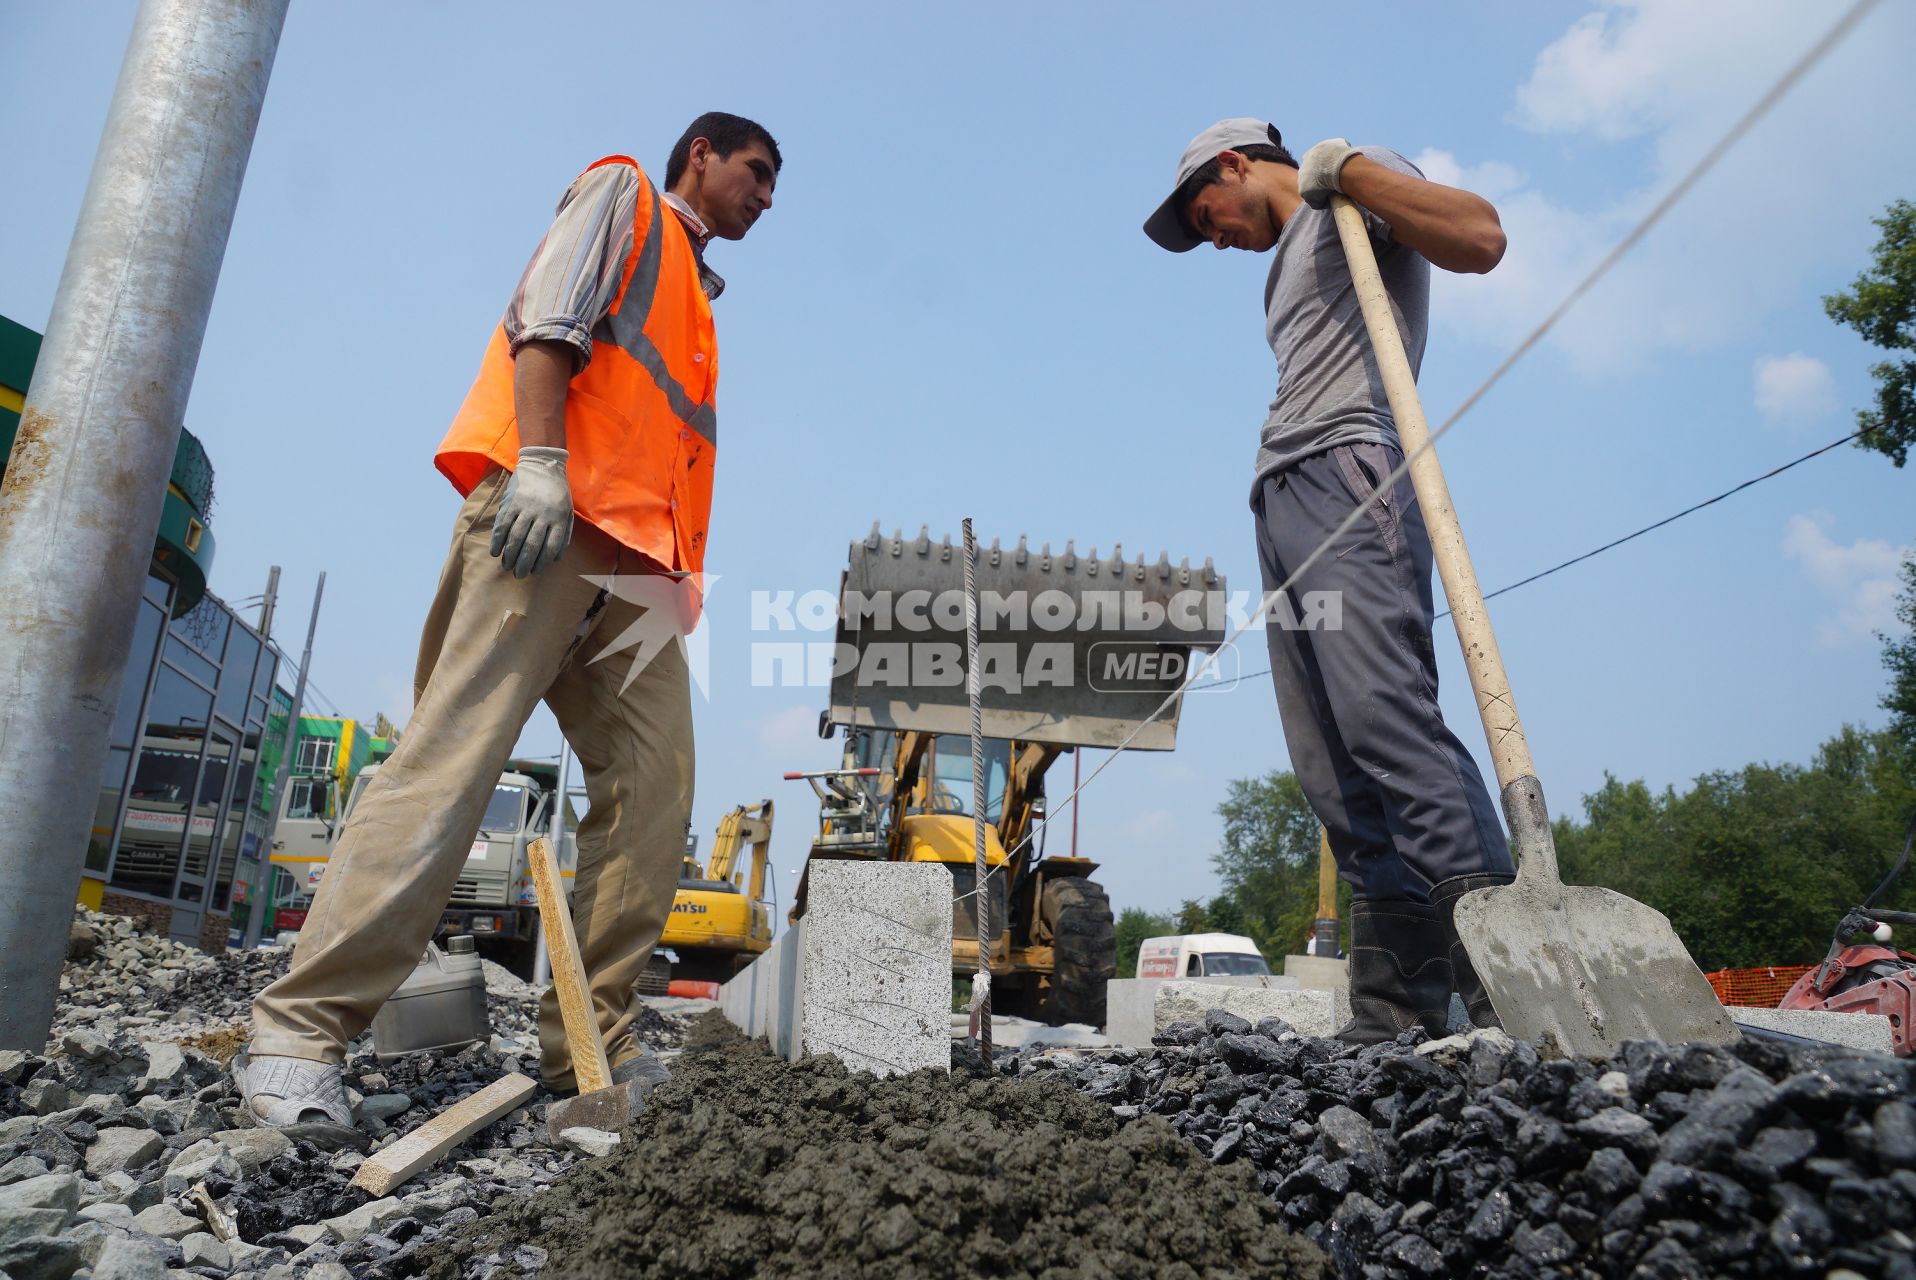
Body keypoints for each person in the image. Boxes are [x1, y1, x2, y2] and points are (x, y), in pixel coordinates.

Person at [236, 112, 780, 1132]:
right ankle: (298, 1034)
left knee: (654, 798)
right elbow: (548, 322)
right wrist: (536, 462)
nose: (765, 198)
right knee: (454, 760)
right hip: (549, 518)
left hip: (640, 576)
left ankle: (588, 1049)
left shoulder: (700, 301)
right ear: (699, 156)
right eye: (755, 173)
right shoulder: (623, 195)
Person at [1143, 120, 1515, 1043]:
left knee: (1387, 718)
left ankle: (1501, 969)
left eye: (1208, 214)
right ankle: (1397, 1003)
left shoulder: (1352, 185)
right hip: (1282, 497)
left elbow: (1479, 238)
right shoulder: (1289, 255)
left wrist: (1345, 169)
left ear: (1236, 164)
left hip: (1352, 471)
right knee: (1332, 766)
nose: (1217, 237)